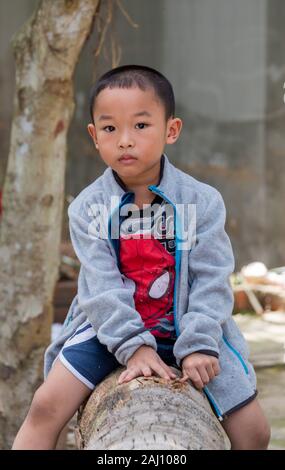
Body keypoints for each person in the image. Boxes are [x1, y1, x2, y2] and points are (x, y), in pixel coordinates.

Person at [12, 64, 270, 450]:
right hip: (109, 329)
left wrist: (200, 343)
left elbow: (213, 278)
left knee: (255, 431)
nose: (125, 141)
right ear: (94, 136)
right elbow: (101, 291)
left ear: (171, 130)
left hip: (187, 323)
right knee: (45, 406)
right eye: (110, 128)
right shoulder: (88, 208)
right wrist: (136, 347)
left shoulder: (202, 201)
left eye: (141, 126)